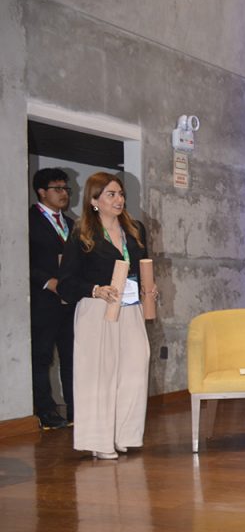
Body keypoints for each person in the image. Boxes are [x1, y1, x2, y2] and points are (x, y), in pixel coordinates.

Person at [57, 172, 152, 459]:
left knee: (136, 367)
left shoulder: (135, 230)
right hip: (97, 310)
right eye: (111, 194)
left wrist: (149, 288)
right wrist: (96, 290)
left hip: (131, 307)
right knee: (99, 375)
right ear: (94, 200)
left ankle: (124, 435)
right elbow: (66, 283)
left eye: (120, 194)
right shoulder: (82, 234)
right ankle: (99, 442)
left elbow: (142, 267)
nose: (119, 199)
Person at [28, 168, 75, 430]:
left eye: (66, 188)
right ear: (41, 192)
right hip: (43, 300)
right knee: (42, 357)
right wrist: (48, 282)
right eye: (57, 188)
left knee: (71, 357)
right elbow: (23, 259)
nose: (64, 193)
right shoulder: (29, 220)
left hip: (70, 302)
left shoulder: (70, 223)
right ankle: (46, 411)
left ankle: (75, 409)